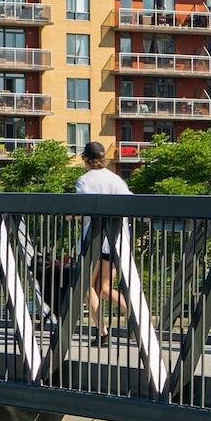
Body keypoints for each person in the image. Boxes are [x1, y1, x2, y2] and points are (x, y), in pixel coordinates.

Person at [75, 142, 130, 347]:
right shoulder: (116, 179)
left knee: (85, 286)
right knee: (104, 288)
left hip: (95, 241)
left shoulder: (84, 181)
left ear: (85, 159)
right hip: (117, 240)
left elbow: (84, 207)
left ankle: (103, 332)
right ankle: (137, 316)